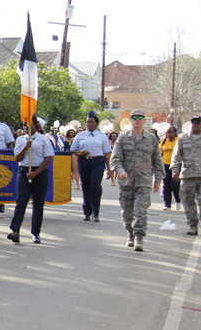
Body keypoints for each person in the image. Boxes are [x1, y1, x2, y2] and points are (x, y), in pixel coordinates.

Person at [109, 108, 162, 251]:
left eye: (140, 117)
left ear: (144, 120)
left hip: (143, 181)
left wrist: (158, 180)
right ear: (131, 120)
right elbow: (115, 160)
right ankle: (130, 233)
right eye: (134, 117)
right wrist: (120, 171)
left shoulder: (151, 139)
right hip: (126, 182)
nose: (137, 120)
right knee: (127, 212)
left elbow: (157, 160)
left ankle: (139, 237)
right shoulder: (123, 138)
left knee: (141, 211)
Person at [6, 116, 55, 244]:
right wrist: (25, 147)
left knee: (38, 203)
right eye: (24, 125)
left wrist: (35, 173)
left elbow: (48, 158)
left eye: (29, 124)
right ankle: (15, 230)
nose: (26, 127)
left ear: (35, 125)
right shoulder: (21, 139)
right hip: (23, 172)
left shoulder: (44, 139)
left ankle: (36, 232)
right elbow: (17, 158)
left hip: (39, 172)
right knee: (21, 201)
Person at [70, 111, 113, 222]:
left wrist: (109, 169)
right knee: (86, 187)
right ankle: (87, 212)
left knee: (95, 186)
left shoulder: (102, 136)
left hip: (97, 162)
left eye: (91, 122)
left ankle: (95, 212)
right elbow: (73, 150)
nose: (89, 124)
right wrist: (81, 153)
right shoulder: (80, 135)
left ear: (96, 123)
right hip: (84, 162)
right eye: (87, 122)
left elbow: (107, 153)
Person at [159, 126, 181, 209]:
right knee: (166, 184)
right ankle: (167, 204)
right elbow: (160, 153)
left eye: (170, 132)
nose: (168, 134)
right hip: (166, 164)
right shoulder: (164, 142)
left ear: (175, 133)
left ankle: (177, 200)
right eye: (167, 132)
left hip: (176, 165)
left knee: (174, 184)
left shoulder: (178, 141)